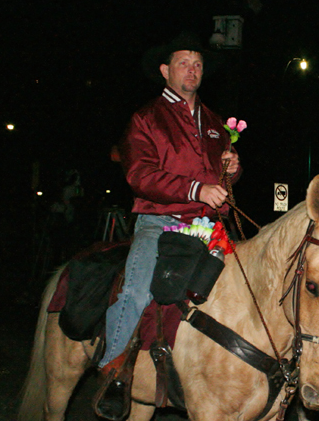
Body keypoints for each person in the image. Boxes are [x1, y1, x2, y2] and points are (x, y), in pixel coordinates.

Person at [101, 32, 241, 370]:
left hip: (209, 227)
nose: (192, 71)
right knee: (136, 292)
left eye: (197, 65)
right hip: (159, 222)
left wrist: (231, 170)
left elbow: (219, 177)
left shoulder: (214, 121)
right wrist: (196, 190)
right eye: (183, 64)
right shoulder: (145, 119)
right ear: (165, 71)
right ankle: (112, 363)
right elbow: (140, 175)